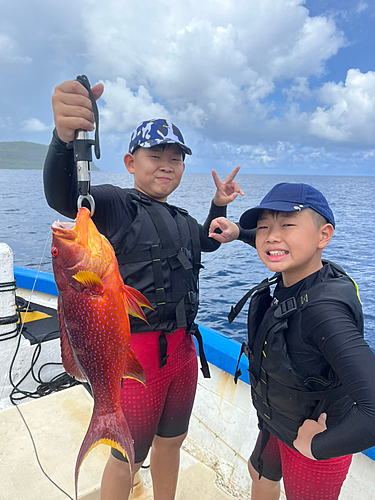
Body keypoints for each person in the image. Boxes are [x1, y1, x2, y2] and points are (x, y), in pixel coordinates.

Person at [43, 79, 246, 500]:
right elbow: (65, 195)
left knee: (172, 442)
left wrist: (220, 203)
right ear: (130, 162)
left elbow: (205, 239)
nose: (166, 164)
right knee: (127, 455)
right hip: (134, 355)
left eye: (176, 158)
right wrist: (64, 140)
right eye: (155, 156)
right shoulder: (117, 205)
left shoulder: (182, 217)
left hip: (184, 352)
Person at [208, 182, 375, 500]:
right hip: (278, 420)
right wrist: (238, 233)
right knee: (258, 473)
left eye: (287, 224)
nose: (272, 236)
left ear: (323, 236)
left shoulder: (324, 311)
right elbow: (278, 245)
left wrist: (317, 445)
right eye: (263, 227)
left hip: (316, 440)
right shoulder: (296, 276)